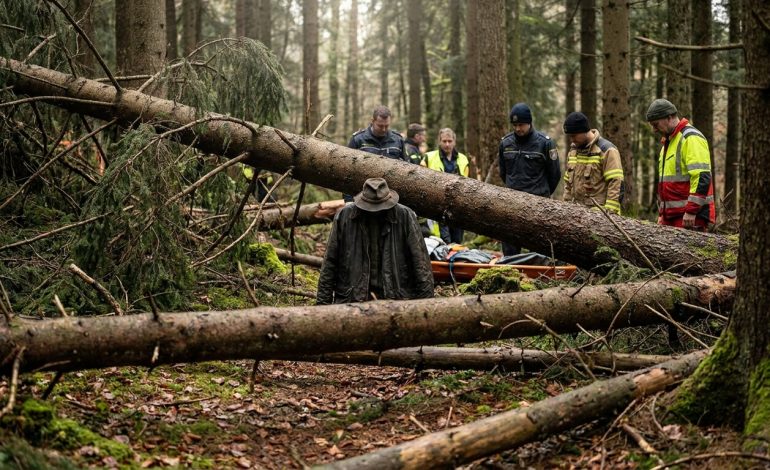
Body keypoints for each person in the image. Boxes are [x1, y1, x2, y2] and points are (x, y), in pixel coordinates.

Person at [316, 178, 435, 305]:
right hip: (353, 301)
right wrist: (323, 306)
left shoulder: (405, 216)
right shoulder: (345, 216)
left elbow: (421, 265)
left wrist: (426, 310)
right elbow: (330, 263)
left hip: (396, 301)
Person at [498, 103, 561, 256]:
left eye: (521, 125)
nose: (518, 128)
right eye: (515, 125)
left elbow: (555, 174)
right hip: (512, 203)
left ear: (529, 122)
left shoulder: (545, 143)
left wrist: (542, 193)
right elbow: (503, 172)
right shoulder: (505, 143)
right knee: (510, 247)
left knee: (539, 247)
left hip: (538, 203)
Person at [646, 99, 715, 230]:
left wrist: (691, 211)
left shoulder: (691, 138)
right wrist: (662, 214)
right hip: (672, 216)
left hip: (690, 217)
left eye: (656, 124)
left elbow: (702, 176)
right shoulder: (668, 143)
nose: (654, 130)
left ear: (669, 117)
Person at [562, 112, 624, 214]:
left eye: (574, 135)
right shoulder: (573, 151)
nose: (572, 139)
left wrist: (609, 213)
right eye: (570, 136)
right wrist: (566, 206)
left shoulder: (607, 150)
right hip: (576, 215)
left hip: (600, 214)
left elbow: (616, 182)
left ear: (585, 131)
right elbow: (568, 183)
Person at [345, 106, 409, 201]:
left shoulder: (398, 140)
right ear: (372, 121)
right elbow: (346, 171)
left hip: (391, 196)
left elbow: (408, 169)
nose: (383, 129)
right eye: (380, 126)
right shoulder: (358, 140)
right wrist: (348, 200)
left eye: (386, 126)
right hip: (363, 195)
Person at [421, 128, 469, 244]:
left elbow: (468, 185)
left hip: (457, 208)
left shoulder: (463, 159)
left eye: (450, 141)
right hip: (436, 207)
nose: (447, 144)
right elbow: (420, 181)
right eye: (444, 141)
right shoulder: (428, 158)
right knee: (442, 242)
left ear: (454, 142)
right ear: (439, 141)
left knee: (457, 242)